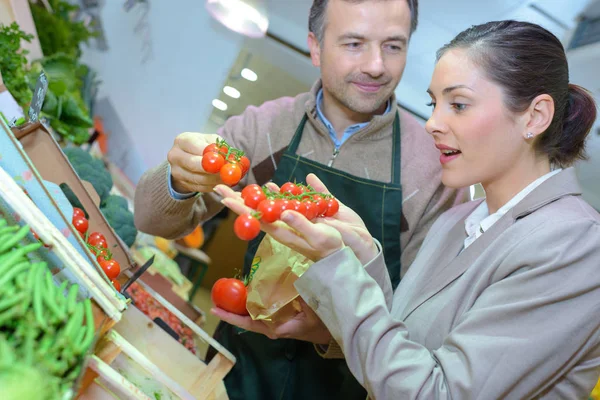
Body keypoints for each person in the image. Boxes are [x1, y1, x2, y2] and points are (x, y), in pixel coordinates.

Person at [215, 20, 600, 399]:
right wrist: (361, 251)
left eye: (459, 104)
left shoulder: (577, 245)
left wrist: (337, 267)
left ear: (535, 117)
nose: (433, 123)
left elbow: (439, 392)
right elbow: (404, 340)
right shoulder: (458, 220)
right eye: (435, 104)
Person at [134, 0, 469, 398]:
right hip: (235, 372)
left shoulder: (433, 172)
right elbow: (151, 220)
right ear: (314, 46)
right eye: (354, 43)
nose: (377, 65)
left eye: (393, 46)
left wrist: (338, 330)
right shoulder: (265, 127)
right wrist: (178, 178)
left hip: (347, 384)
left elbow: (424, 326)